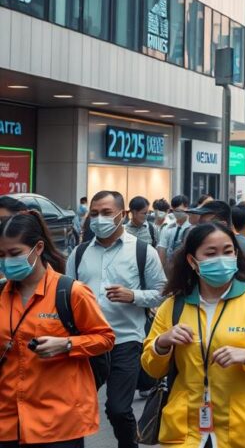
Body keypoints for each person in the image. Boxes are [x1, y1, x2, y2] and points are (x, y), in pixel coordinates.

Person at [142, 223, 245, 448]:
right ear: (192, 261)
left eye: (227, 251)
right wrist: (162, 343)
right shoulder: (173, 306)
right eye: (210, 253)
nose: (221, 259)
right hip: (186, 431)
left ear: (236, 255)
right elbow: (151, 368)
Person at [0, 211, 116, 448]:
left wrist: (66, 344)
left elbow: (105, 338)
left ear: (38, 247)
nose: (7, 261)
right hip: (8, 421)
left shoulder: (71, 292)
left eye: (14, 253)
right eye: (1, 255)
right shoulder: (2, 294)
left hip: (59, 424)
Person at [67, 191, 167, 448]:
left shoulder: (143, 251)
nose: (99, 219)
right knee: (71, 407)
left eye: (107, 213)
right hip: (86, 343)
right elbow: (64, 295)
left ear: (121, 215)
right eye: (95, 213)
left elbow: (162, 293)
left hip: (125, 341)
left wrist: (133, 295)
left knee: (118, 408)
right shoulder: (79, 254)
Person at [157, 195, 191, 263]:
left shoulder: (191, 227)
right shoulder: (167, 227)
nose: (176, 213)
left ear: (187, 208)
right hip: (169, 266)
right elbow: (162, 249)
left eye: (179, 210)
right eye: (174, 211)